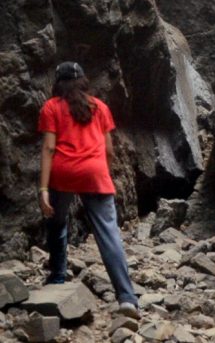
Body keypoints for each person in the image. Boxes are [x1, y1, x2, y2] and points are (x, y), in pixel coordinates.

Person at [38, 62, 140, 319]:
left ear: (58, 83)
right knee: (108, 234)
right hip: (94, 171)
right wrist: (100, 171)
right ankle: (126, 298)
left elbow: (49, 148)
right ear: (83, 81)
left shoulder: (51, 107)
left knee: (56, 220)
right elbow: (108, 150)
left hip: (63, 172)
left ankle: (58, 275)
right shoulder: (100, 107)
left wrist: (43, 189)